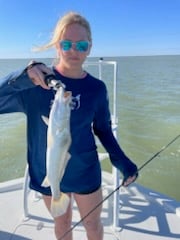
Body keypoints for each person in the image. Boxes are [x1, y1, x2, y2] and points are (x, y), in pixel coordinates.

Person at [0, 12, 138, 240]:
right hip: (48, 170)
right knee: (62, 222)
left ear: (90, 48)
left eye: (82, 45)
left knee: (93, 224)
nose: (74, 50)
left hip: (85, 168)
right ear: (57, 46)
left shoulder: (96, 88)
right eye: (67, 44)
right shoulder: (35, 85)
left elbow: (102, 129)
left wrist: (121, 159)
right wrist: (23, 76)